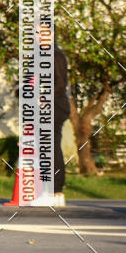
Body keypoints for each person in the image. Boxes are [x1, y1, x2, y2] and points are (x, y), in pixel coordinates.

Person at [53, 41, 70, 205]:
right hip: (47, 106)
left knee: (51, 145)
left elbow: (59, 84)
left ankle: (56, 190)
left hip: (56, 106)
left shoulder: (55, 55)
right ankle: (51, 189)